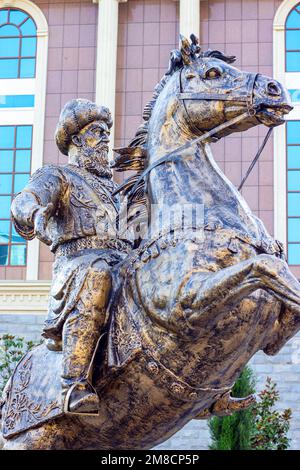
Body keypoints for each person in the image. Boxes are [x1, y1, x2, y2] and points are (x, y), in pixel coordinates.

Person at [11, 99, 132, 415]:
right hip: (80, 262)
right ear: (77, 139)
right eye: (97, 131)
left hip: (122, 261)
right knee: (98, 275)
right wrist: (34, 214)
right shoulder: (57, 175)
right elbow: (25, 200)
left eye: (107, 131)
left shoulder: (115, 189)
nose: (106, 138)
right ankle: (74, 385)